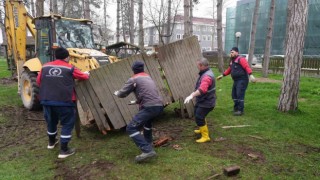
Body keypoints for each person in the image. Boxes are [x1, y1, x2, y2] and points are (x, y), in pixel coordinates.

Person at [36, 47, 90, 159]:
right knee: (67, 123)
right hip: (64, 101)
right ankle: (64, 150)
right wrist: (87, 74)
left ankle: (51, 143)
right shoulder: (69, 68)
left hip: (47, 101)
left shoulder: (45, 67)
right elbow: (83, 76)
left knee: (51, 122)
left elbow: (38, 81)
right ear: (67, 57)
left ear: (55, 56)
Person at [113, 60, 164, 163]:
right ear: (143, 68)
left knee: (131, 128)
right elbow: (147, 93)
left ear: (133, 70)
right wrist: (137, 101)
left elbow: (122, 94)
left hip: (149, 107)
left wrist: (117, 93)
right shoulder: (148, 77)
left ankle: (147, 150)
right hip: (159, 105)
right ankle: (148, 143)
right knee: (147, 124)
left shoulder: (133, 79)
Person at [184, 57, 216, 143]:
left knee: (199, 116)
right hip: (203, 100)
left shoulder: (207, 76)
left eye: (198, 65)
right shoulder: (205, 72)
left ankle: (205, 136)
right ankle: (201, 128)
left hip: (207, 102)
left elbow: (203, 89)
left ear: (201, 65)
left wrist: (192, 95)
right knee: (198, 113)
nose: (197, 66)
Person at [216, 47, 256, 116]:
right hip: (236, 80)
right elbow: (229, 69)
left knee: (239, 94)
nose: (231, 53)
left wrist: (250, 75)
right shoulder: (232, 61)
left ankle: (240, 110)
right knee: (234, 94)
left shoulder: (241, 59)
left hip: (242, 80)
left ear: (237, 52)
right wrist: (222, 75)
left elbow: (247, 67)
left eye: (232, 52)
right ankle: (236, 108)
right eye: (230, 52)